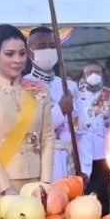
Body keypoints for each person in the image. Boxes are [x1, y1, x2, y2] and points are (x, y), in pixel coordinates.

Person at [0, 25, 55, 197]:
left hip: (36, 184)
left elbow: (48, 139)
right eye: (9, 54)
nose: (18, 60)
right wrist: (6, 189)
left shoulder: (40, 91)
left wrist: (45, 184)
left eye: (22, 53)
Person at [26, 26, 83, 180]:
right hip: (38, 162)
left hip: (68, 162)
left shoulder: (70, 86)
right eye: (42, 47)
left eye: (53, 47)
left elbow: (81, 130)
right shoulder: (23, 86)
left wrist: (84, 167)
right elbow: (30, 128)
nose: (49, 51)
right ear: (29, 52)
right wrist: (60, 110)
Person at [76, 61, 110, 214]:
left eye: (97, 72)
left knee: (102, 190)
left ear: (103, 75)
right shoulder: (77, 94)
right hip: (84, 151)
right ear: (84, 76)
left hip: (104, 150)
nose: (94, 75)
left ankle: (105, 218)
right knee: (86, 190)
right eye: (90, 72)